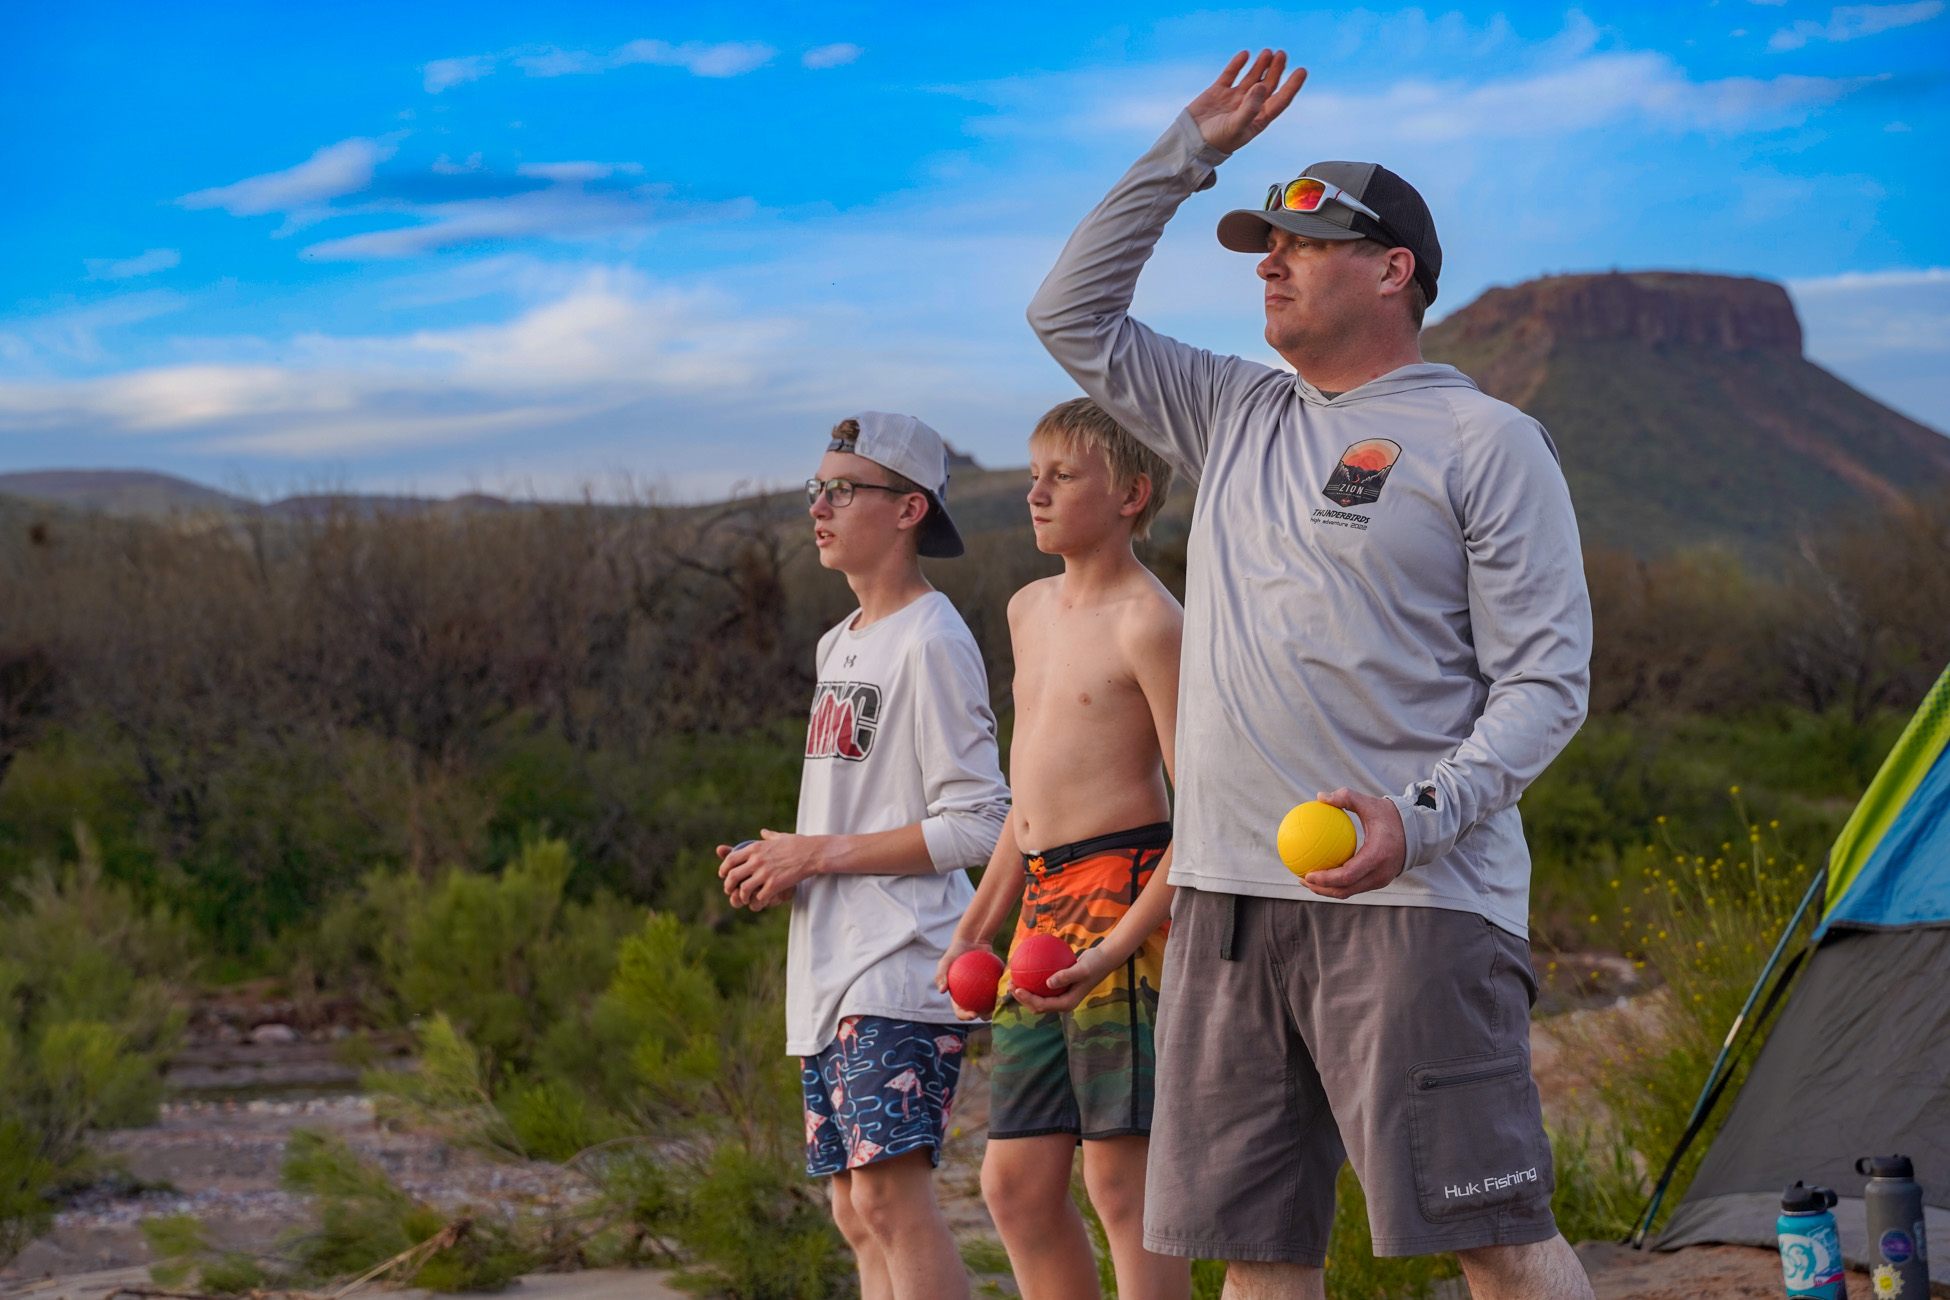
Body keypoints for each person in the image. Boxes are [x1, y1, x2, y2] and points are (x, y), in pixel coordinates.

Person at [1026, 50, 1597, 1300]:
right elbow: (1068, 313)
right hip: (1227, 900)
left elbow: (1549, 685)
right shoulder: (1235, 412)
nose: (1270, 261)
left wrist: (1422, 819)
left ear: (1394, 268)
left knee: (1491, 1232)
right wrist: (1188, 149)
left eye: (1306, 239)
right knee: (1259, 1256)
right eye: (1261, 243)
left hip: (1417, 906)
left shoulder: (1488, 442)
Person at [718, 412, 1011, 1300]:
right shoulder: (838, 642)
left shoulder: (934, 639)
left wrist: (819, 854)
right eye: (817, 488)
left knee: (890, 1203)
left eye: (843, 489)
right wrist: (786, 857)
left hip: (902, 964)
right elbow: (855, 808)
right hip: (829, 964)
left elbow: (985, 824)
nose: (820, 506)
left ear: (908, 507)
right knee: (854, 1211)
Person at [936, 398, 1188, 1300]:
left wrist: (1116, 947)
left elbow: (1199, 814)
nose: (1036, 493)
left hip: (1123, 903)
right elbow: (1029, 802)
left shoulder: (1151, 622)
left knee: (1122, 1184)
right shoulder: (1027, 608)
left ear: (1131, 494)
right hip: (1038, 911)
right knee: (1015, 1186)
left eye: (1063, 476)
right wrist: (975, 925)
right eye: (1035, 474)